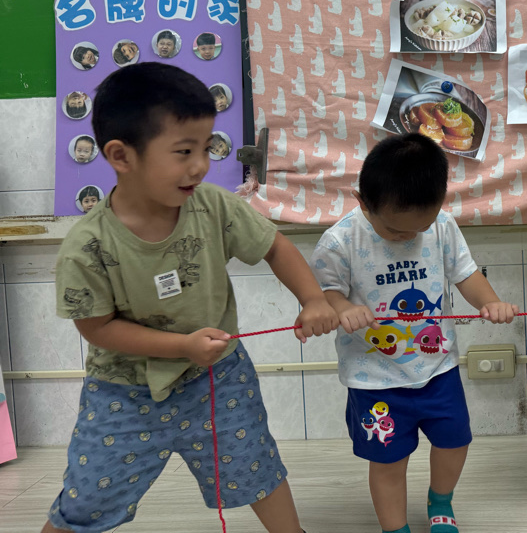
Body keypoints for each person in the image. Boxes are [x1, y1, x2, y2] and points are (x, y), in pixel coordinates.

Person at [42, 61, 339, 533]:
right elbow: (97, 328)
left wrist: (313, 298)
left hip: (218, 378)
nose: (200, 165)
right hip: (123, 393)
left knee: (257, 471)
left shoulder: (214, 205)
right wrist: (181, 346)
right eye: (183, 151)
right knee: (87, 500)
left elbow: (275, 246)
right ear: (121, 156)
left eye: (206, 147)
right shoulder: (87, 246)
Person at [310, 133, 519, 533]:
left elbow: (466, 274)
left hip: (437, 368)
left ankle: (440, 501)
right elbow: (324, 294)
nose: (408, 237)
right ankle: (396, 528)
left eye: (420, 227)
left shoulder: (441, 226)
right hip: (375, 378)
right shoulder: (339, 242)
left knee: (455, 441)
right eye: (394, 230)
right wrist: (343, 308)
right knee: (388, 462)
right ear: (363, 202)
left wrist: (490, 301)